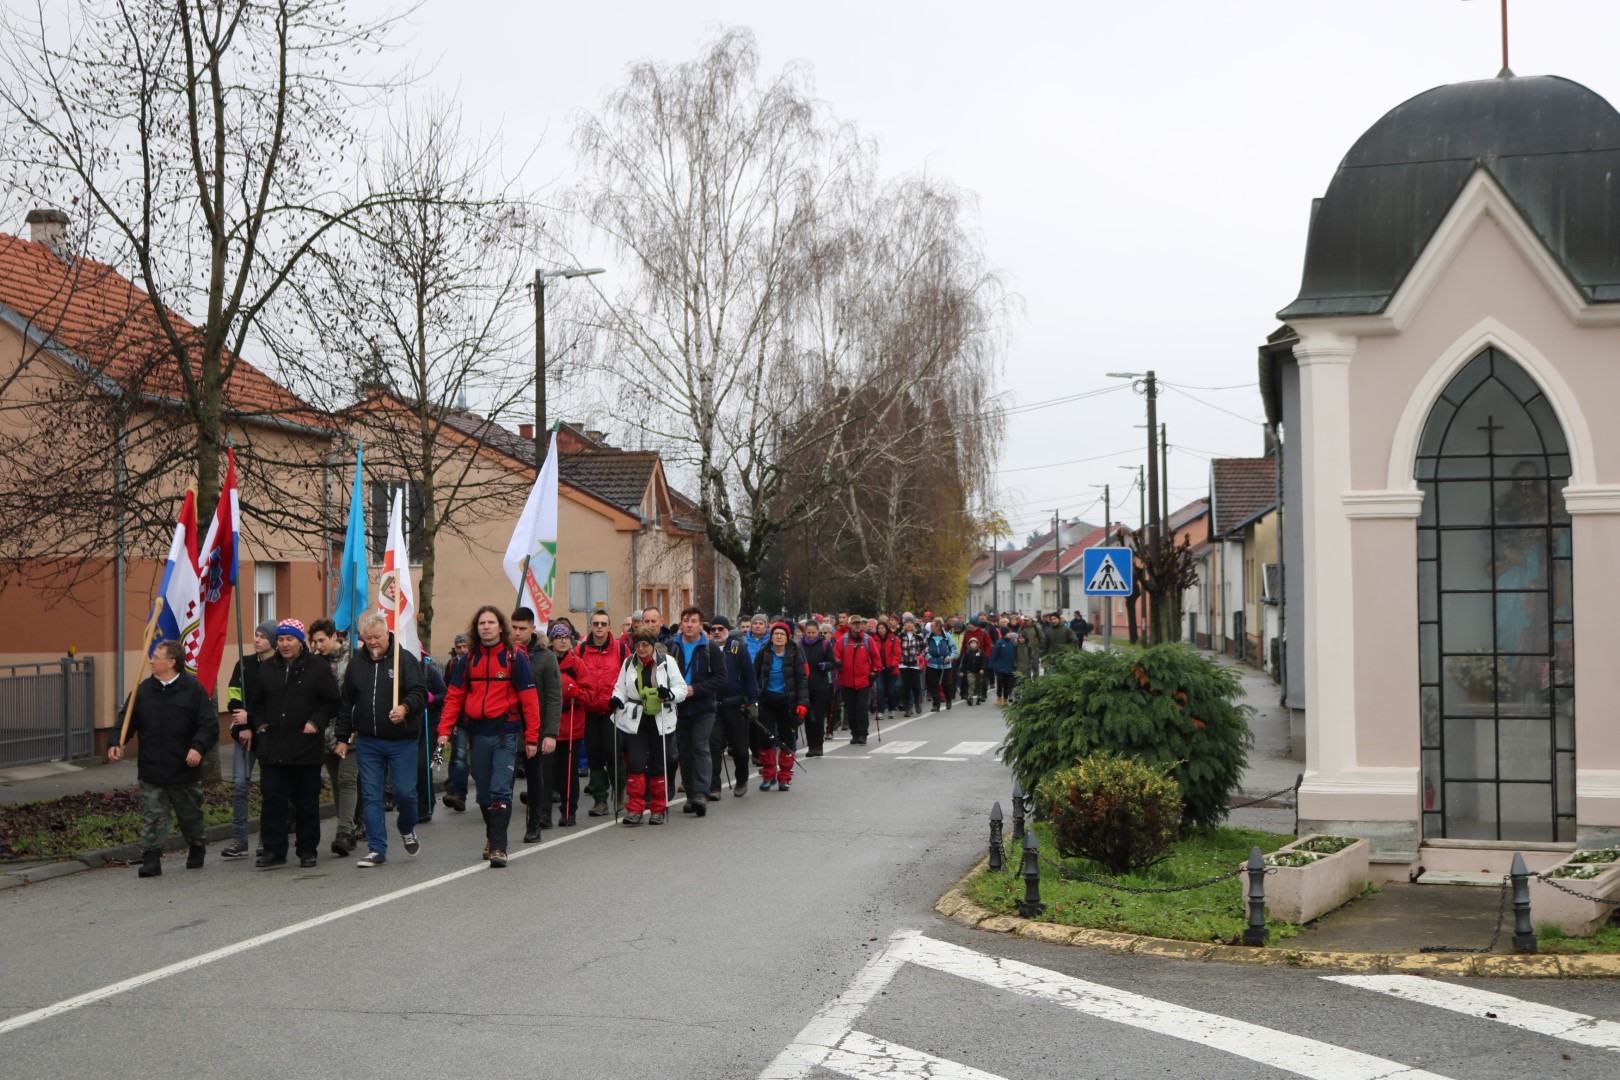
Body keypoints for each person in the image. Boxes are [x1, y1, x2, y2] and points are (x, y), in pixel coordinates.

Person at [436, 606, 541, 867]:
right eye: (482, 622)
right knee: (483, 794)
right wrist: (444, 730)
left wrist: (532, 737)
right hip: (477, 734)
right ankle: (491, 836)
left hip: (506, 734)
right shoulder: (467, 660)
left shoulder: (515, 658)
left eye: (491, 622)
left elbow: (530, 701)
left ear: (500, 627)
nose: (486, 626)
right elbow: (454, 697)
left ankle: (499, 847)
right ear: (476, 627)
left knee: (500, 790)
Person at [107, 639, 218, 877]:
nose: (151, 660)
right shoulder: (142, 691)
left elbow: (208, 725)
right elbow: (126, 720)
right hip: (152, 767)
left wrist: (197, 747)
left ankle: (197, 846)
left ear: (171, 662)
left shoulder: (193, 690)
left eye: (156, 656)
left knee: (190, 814)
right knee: (153, 816)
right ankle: (151, 858)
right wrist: (116, 742)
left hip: (184, 768)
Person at [242, 619, 340, 869]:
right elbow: (257, 703)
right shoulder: (267, 668)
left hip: (305, 747)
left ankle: (307, 850)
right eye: (281, 639)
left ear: (300, 642)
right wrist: (261, 725)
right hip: (272, 747)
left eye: (290, 639)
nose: (285, 644)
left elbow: (331, 701)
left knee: (307, 802)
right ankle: (274, 850)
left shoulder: (318, 667)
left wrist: (315, 722)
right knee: (273, 801)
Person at [334, 613, 427, 868]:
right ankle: (377, 849)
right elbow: (347, 703)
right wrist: (342, 737)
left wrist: (405, 708)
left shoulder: (404, 660)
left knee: (405, 793)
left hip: (402, 741)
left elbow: (420, 692)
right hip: (368, 742)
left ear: (387, 634)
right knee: (371, 796)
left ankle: (406, 827)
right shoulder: (357, 664)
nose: (373, 642)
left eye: (377, 637)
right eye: (368, 638)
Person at [609, 630, 689, 825]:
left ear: (653, 645)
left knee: (658, 764)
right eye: (637, 645)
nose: (641, 649)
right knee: (635, 763)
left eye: (645, 645)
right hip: (636, 718)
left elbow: (682, 689)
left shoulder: (666, 662)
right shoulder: (629, 663)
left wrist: (668, 693)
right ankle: (635, 809)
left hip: (660, 717)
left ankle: (658, 808)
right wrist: (616, 699)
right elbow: (620, 687)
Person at [222, 620, 275, 859]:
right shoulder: (243, 665)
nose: (257, 639)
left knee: (269, 788)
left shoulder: (278, 667)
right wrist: (243, 725)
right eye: (255, 634)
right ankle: (240, 839)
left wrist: (251, 719)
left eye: (262, 636)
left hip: (268, 736)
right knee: (240, 785)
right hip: (243, 736)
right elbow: (234, 696)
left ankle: (267, 838)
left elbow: (276, 705)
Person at [309, 618, 362, 856]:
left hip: (350, 730)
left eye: (321, 640)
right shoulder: (314, 664)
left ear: (334, 637)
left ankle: (343, 831)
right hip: (325, 733)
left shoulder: (352, 659)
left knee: (347, 780)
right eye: (314, 641)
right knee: (337, 782)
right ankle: (350, 828)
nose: (318, 645)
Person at [511, 606, 562, 843]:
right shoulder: (508, 654)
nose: (517, 632)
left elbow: (554, 697)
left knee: (535, 779)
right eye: (514, 628)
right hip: (509, 729)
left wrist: (550, 733)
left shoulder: (546, 656)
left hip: (536, 730)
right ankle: (497, 830)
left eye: (522, 628)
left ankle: (535, 823)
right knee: (503, 782)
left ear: (533, 628)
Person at [669, 606, 726, 818]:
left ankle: (702, 794)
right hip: (678, 708)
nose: (689, 624)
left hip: (704, 708)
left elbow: (721, 678)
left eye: (694, 621)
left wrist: (696, 689)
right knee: (684, 751)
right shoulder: (671, 647)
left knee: (701, 747)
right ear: (681, 624)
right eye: (686, 620)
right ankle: (691, 795)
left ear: (701, 625)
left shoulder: (710, 647)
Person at [575, 612, 628, 817]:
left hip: (612, 710)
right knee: (594, 755)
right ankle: (600, 799)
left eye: (603, 624)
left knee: (612, 751)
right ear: (590, 626)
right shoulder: (580, 650)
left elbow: (627, 677)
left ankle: (620, 788)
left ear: (609, 627)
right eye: (595, 623)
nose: (599, 627)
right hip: (588, 710)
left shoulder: (621, 649)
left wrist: (621, 699)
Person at [706, 615, 760, 796]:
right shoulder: (705, 650)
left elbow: (749, 677)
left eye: (720, 629)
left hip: (736, 705)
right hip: (713, 706)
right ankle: (714, 787)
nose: (717, 632)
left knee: (740, 748)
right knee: (713, 746)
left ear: (728, 630)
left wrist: (753, 702)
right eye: (713, 629)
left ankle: (742, 779)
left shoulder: (738, 649)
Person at [752, 621, 809, 791]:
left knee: (787, 739)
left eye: (781, 634)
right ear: (771, 637)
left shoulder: (794, 653)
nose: (778, 637)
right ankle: (768, 775)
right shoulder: (763, 652)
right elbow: (754, 677)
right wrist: (751, 700)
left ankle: (784, 776)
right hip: (767, 701)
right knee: (765, 738)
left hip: (787, 702)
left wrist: (802, 704)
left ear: (787, 637)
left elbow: (801, 680)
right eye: (775, 634)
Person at [548, 623, 587, 826]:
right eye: (558, 637)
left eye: (566, 637)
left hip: (571, 724)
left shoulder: (577, 664)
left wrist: (576, 693)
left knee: (569, 772)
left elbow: (588, 695)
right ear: (551, 640)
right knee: (549, 771)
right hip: (549, 726)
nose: (563, 641)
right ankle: (544, 813)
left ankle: (569, 811)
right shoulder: (546, 661)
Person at [834, 614, 882, 745]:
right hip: (847, 681)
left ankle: (862, 733)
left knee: (862, 708)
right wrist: (837, 663)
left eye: (859, 623)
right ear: (849, 625)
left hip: (864, 681)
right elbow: (836, 656)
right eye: (854, 623)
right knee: (850, 709)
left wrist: (875, 671)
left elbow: (876, 658)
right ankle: (854, 733)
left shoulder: (868, 640)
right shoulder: (842, 641)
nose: (857, 625)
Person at [440, 635, 472, 812]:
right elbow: (448, 694)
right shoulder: (452, 665)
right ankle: (457, 793)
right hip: (460, 720)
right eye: (458, 647)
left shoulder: (475, 663)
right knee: (459, 756)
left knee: (476, 758)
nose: (462, 650)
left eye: (464, 646)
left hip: (477, 719)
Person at [798, 620, 838, 754]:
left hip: (821, 686)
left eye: (813, 633)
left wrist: (825, 666)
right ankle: (811, 746)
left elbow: (833, 663)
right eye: (808, 633)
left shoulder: (825, 644)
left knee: (819, 716)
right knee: (808, 717)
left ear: (818, 632)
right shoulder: (799, 645)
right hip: (804, 685)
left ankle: (818, 745)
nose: (810, 635)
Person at [924, 618, 957, 712]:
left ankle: (948, 699)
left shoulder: (947, 636)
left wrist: (949, 657)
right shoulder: (928, 637)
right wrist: (929, 658)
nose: (931, 627)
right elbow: (924, 649)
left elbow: (954, 649)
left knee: (945, 684)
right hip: (932, 664)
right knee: (933, 684)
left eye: (932, 625)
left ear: (938, 626)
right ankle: (936, 704)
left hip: (945, 664)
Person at [871, 619, 901, 725]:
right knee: (880, 689)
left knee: (891, 690)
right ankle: (880, 711)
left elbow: (897, 654)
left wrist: (892, 665)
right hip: (879, 669)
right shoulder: (873, 640)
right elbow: (872, 654)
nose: (880, 630)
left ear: (886, 629)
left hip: (890, 668)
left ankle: (892, 708)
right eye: (878, 628)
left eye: (882, 628)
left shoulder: (893, 639)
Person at [897, 618, 925, 717]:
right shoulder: (900, 636)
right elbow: (896, 648)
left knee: (916, 686)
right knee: (905, 686)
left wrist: (920, 655)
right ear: (904, 625)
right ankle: (907, 708)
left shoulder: (919, 636)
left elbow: (924, 647)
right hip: (903, 663)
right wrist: (898, 656)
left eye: (910, 623)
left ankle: (917, 701)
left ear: (913, 624)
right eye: (907, 623)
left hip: (915, 664)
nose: (909, 625)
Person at [989, 628, 1018, 705]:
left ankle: (1005, 698)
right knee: (1000, 683)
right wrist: (990, 665)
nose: (1010, 634)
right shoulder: (999, 643)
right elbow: (993, 655)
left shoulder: (1012, 643)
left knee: (1007, 684)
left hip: (1009, 667)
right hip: (1000, 667)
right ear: (1004, 633)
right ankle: (999, 697)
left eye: (1010, 633)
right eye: (1009, 633)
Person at [959, 636, 988, 706]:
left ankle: (979, 697)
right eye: (971, 643)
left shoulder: (980, 652)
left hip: (978, 671)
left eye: (975, 643)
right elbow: (963, 662)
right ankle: (970, 697)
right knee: (971, 683)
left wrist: (982, 669)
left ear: (977, 644)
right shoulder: (967, 653)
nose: (973, 644)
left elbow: (983, 661)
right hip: (970, 671)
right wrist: (961, 671)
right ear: (969, 644)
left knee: (978, 684)